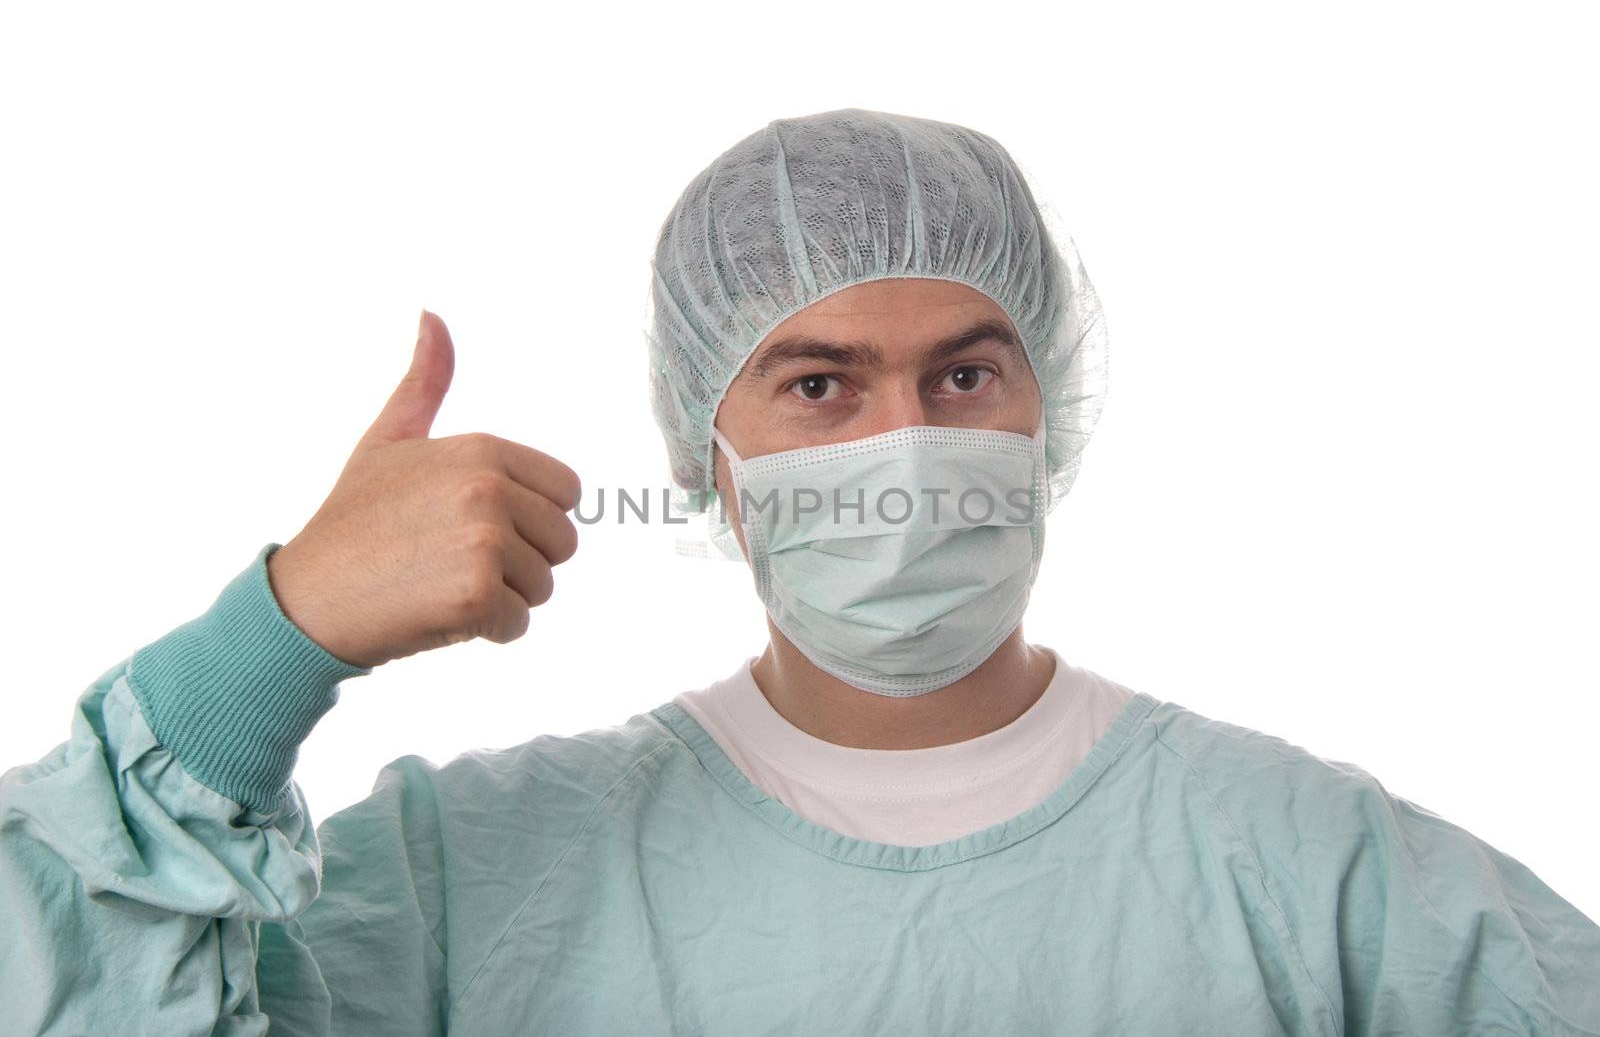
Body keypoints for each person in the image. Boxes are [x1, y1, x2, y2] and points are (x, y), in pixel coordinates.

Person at [1, 107, 1596, 1036]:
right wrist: (269, 648)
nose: (903, 443)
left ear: (1053, 409)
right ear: (712, 459)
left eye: (964, 377)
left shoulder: (1314, 873)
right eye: (818, 386)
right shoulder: (462, 879)